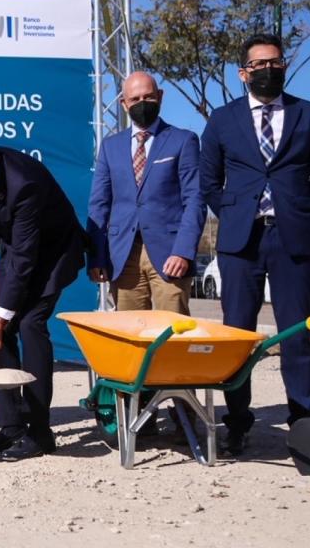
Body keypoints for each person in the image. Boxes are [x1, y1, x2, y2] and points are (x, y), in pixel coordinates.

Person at [200, 34, 310, 456]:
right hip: (241, 242)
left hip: (291, 238)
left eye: (275, 62)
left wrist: (291, 207)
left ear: (284, 66)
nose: (268, 70)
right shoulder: (222, 121)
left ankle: (304, 422)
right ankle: (238, 422)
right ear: (244, 73)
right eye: (258, 65)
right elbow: (209, 181)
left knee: (296, 333)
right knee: (237, 336)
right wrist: (240, 210)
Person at [0, 124, 85, 461]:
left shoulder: (23, 182)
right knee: (0, 332)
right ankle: (11, 427)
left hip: (54, 254)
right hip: (21, 249)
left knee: (28, 325)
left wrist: (2, 317)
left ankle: (40, 432)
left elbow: (26, 259)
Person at [87, 71, 205, 434]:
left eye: (147, 97)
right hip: (123, 259)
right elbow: (99, 204)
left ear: (160, 96)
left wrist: (184, 250)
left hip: (169, 256)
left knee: (173, 338)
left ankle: (184, 415)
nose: (141, 104)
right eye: (133, 99)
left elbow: (195, 200)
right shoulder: (111, 146)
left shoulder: (183, 141)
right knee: (133, 342)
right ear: (123, 104)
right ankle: (140, 417)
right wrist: (97, 256)